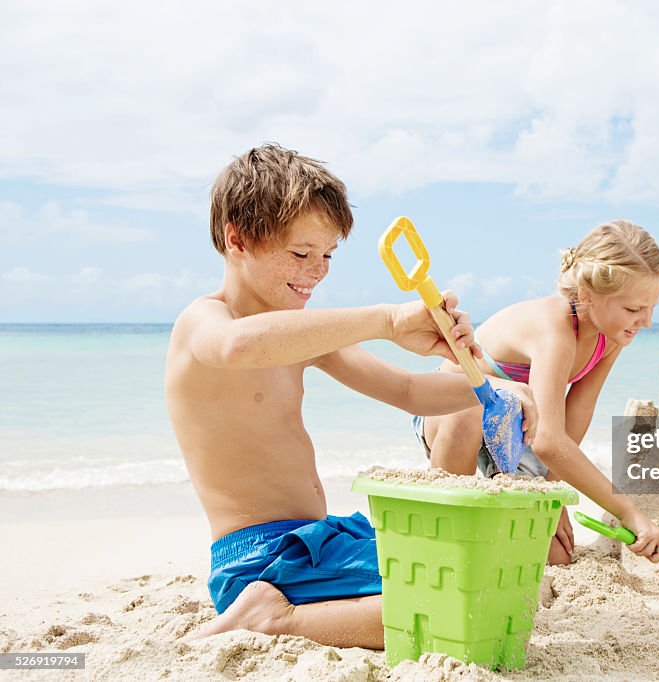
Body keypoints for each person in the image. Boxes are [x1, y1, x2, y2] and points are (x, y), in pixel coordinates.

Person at [165, 144, 534, 647]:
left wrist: (491, 385)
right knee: (465, 601)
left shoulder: (300, 333)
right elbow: (234, 348)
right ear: (237, 240)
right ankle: (269, 618)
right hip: (255, 557)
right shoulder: (206, 322)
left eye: (328, 256)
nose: (317, 271)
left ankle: (296, 611)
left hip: (319, 542)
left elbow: (410, 390)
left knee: (487, 573)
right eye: (300, 254)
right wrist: (385, 320)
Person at [416, 220, 659, 565]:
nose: (645, 321)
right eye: (633, 309)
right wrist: (630, 513)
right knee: (465, 418)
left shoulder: (613, 334)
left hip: (517, 432)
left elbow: (578, 412)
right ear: (587, 295)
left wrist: (551, 493)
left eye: (651, 308)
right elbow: (548, 440)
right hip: (454, 414)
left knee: (555, 554)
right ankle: (446, 533)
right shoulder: (554, 326)